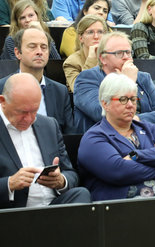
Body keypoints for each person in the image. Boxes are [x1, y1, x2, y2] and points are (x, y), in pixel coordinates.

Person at [77, 73, 155, 201]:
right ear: (105, 104)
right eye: (123, 99)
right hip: (122, 207)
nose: (130, 105)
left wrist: (136, 156)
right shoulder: (94, 138)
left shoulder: (147, 128)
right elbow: (119, 172)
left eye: (133, 99)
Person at [0, 73, 91, 208]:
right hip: (13, 212)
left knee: (81, 194)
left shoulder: (49, 125)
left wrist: (61, 181)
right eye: (22, 112)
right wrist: (10, 183)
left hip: (52, 206)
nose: (29, 119)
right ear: (3, 101)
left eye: (34, 111)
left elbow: (71, 173)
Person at [74, 31, 155, 132]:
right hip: (105, 140)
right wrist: (127, 82)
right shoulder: (87, 79)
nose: (126, 57)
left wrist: (137, 120)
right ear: (102, 59)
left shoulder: (143, 78)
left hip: (142, 138)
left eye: (128, 52)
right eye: (119, 53)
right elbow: (102, 114)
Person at [0, 28, 74, 134]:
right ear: (17, 53)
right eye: (32, 46)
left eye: (44, 47)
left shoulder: (60, 92)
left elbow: (69, 134)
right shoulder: (2, 88)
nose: (39, 52)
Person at [63, 15, 108, 92]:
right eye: (90, 32)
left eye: (100, 32)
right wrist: (91, 60)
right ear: (81, 38)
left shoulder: (111, 56)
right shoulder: (71, 62)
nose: (96, 37)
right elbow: (79, 90)